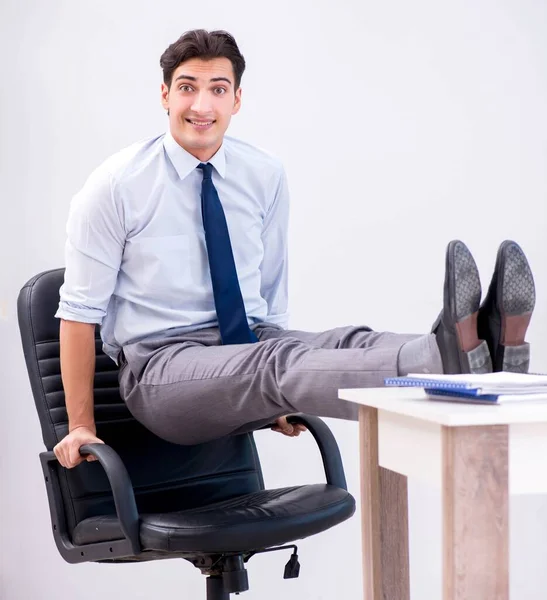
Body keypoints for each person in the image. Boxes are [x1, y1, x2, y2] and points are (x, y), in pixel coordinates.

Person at [53, 29, 536, 469]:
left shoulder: (262, 175)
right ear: (164, 95)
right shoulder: (115, 185)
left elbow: (268, 292)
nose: (202, 105)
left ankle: (482, 351)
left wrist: (273, 399)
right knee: (278, 365)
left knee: (344, 341)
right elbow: (79, 314)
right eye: (187, 87)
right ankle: (445, 363)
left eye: (217, 89)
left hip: (247, 344)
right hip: (160, 372)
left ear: (237, 99)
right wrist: (79, 425)